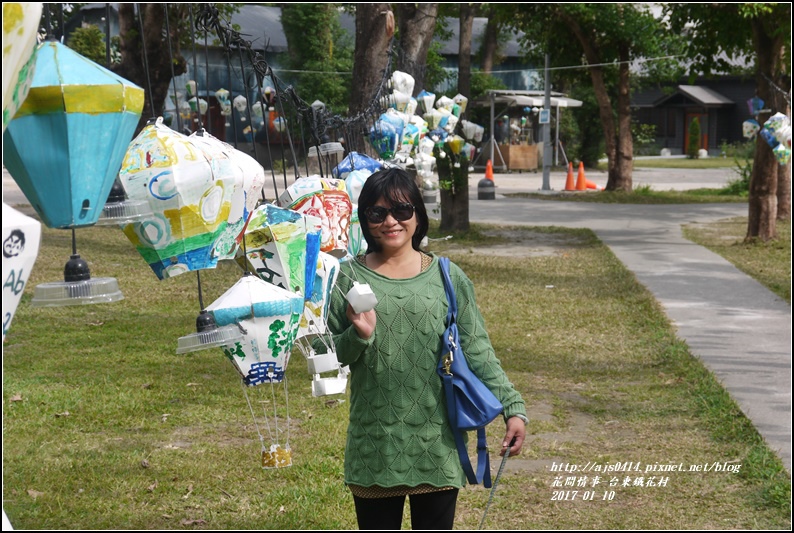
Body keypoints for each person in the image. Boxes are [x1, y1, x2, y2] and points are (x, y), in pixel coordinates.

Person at [317, 167, 528, 530]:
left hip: (438, 444)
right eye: (377, 213)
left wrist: (513, 408)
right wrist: (359, 335)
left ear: (418, 214)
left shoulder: (448, 276)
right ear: (365, 219)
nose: (390, 222)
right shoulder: (346, 278)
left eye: (401, 210)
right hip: (375, 445)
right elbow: (332, 357)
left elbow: (478, 350)